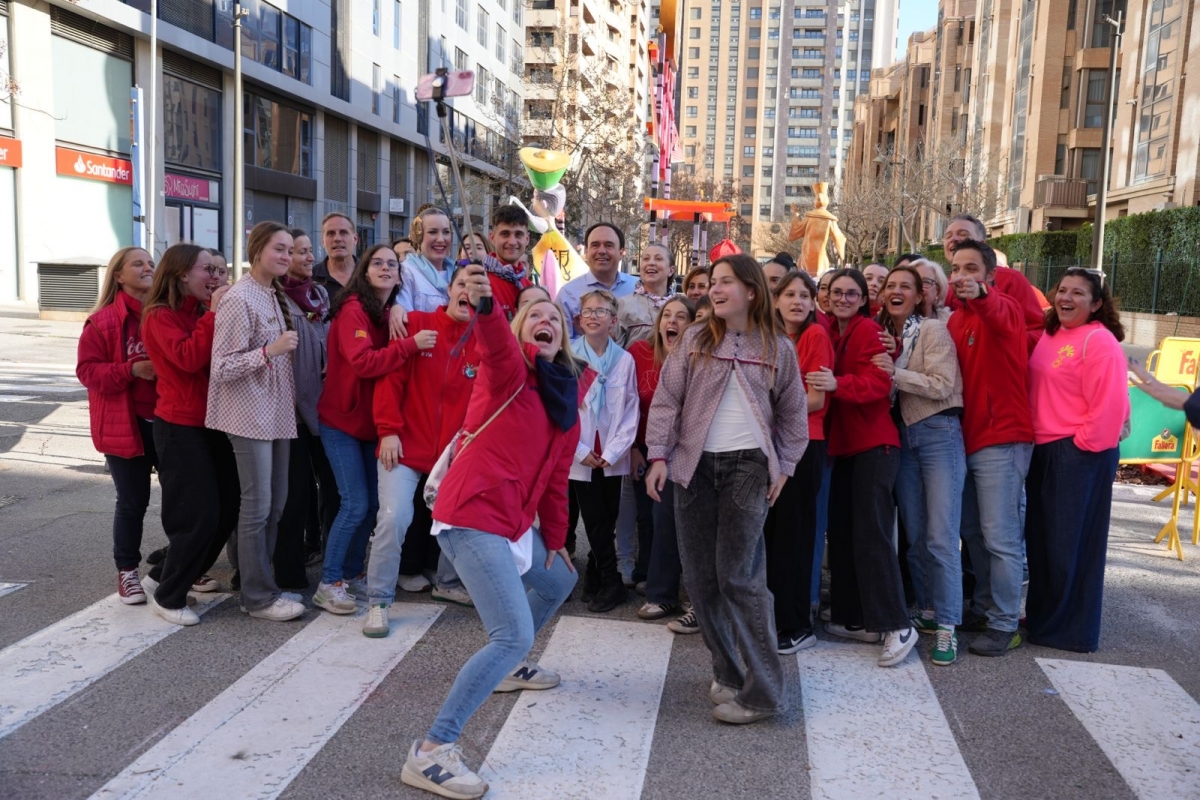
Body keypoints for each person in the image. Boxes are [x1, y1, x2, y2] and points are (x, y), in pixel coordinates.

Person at [400, 276, 584, 800]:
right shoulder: (510, 371)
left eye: (556, 318)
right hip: (472, 514)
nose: (546, 322)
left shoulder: (565, 395)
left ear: (564, 335)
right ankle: (433, 751)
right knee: (511, 634)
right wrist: (485, 301)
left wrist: (555, 537)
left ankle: (510, 667)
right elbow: (495, 338)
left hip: (514, 521)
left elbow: (554, 478)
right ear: (522, 328)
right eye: (535, 316)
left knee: (558, 580)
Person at [646, 254, 808, 725]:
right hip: (692, 468)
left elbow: (795, 416)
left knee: (739, 578)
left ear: (752, 291)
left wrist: (785, 467)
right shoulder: (695, 338)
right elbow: (667, 400)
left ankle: (764, 693)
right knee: (701, 580)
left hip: (749, 469)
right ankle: (730, 674)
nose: (714, 290)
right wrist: (658, 454)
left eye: (725, 283)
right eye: (712, 283)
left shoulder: (780, 348)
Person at [806, 268, 916, 667]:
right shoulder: (831, 330)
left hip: (874, 445)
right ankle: (856, 618)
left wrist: (838, 384)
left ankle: (897, 624)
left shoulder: (868, 331)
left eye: (852, 293)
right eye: (837, 292)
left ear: (864, 299)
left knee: (872, 535)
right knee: (847, 533)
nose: (843, 298)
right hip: (846, 448)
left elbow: (879, 384)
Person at [363, 267, 480, 637]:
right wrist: (389, 432)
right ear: (449, 289)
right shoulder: (416, 323)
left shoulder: (486, 343)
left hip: (452, 455)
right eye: (461, 284)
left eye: (475, 289)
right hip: (403, 444)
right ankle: (378, 601)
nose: (467, 293)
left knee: (460, 519)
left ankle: (447, 582)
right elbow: (390, 380)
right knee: (394, 518)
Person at [207, 222, 306, 622]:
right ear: (257, 249)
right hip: (248, 414)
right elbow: (221, 367)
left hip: (277, 412)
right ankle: (258, 596)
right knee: (258, 506)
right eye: (278, 249)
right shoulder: (239, 297)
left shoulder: (272, 292)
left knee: (275, 506)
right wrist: (270, 350)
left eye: (289, 250)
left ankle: (259, 583)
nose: (285, 256)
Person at [1025, 268, 1127, 652]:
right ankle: (1044, 618)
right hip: (1045, 449)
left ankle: (1071, 629)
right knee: (1043, 541)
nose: (1066, 298)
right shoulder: (1053, 333)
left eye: (1078, 293)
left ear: (1097, 303)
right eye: (1062, 290)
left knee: (1071, 543)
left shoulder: (1099, 341)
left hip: (1078, 454)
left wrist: (1080, 445)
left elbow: (1110, 405)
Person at [315, 243, 420, 615]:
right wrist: (409, 346)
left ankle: (350, 573)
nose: (385, 268)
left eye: (392, 264)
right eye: (377, 262)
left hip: (366, 424)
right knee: (355, 504)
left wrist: (400, 312)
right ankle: (329, 582)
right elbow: (363, 362)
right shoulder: (354, 310)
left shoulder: (387, 310)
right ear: (364, 269)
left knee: (372, 504)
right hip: (341, 421)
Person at [871, 265, 966, 666]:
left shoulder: (931, 331)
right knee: (914, 534)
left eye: (904, 287)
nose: (895, 291)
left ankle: (947, 625)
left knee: (942, 537)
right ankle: (926, 609)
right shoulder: (882, 336)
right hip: (903, 439)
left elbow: (944, 384)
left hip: (938, 432)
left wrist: (896, 373)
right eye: (890, 286)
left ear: (919, 295)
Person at [140, 244, 238, 625]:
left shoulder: (195, 311)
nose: (214, 278)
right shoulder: (159, 316)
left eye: (218, 271)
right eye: (206, 270)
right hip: (179, 427)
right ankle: (169, 596)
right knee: (198, 516)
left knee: (227, 506)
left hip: (211, 423)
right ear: (181, 274)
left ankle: (160, 577)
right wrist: (213, 315)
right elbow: (188, 357)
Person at [946, 239, 1033, 657]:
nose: (962, 276)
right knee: (972, 534)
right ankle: (983, 610)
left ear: (989, 276)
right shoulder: (954, 322)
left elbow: (996, 311)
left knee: (1000, 536)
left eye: (971, 269)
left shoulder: (1005, 309)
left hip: (1002, 437)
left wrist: (981, 295)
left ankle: (1004, 622)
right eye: (956, 268)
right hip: (965, 439)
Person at [77, 247, 160, 604]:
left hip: (172, 421)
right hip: (124, 423)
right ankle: (127, 572)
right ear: (119, 276)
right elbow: (86, 372)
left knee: (183, 498)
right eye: (138, 264)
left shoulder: (165, 314)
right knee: (132, 501)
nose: (147, 268)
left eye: (151, 263)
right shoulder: (102, 321)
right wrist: (130, 370)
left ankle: (184, 563)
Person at [768, 270, 832, 653]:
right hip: (777, 445)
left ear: (813, 303)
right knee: (775, 538)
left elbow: (816, 399)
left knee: (794, 538)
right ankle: (777, 619)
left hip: (806, 446)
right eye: (789, 294)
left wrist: (765, 410)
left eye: (804, 295)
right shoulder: (777, 338)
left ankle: (797, 625)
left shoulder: (814, 336)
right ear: (775, 301)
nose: (796, 301)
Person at [571, 289, 639, 612]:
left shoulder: (624, 361)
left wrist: (613, 451)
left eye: (601, 312)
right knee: (594, 518)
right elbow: (562, 411)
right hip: (582, 455)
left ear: (613, 322)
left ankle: (595, 575)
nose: (594, 316)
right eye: (588, 311)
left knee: (609, 515)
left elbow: (630, 411)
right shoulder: (569, 356)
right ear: (579, 319)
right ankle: (612, 581)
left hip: (611, 455)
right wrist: (579, 449)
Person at [276, 228, 337, 584]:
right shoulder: (277, 298)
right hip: (292, 414)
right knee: (294, 496)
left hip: (323, 409)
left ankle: (335, 565)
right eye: (300, 252)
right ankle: (289, 575)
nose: (308, 257)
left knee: (332, 491)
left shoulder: (319, 295)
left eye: (309, 250)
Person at [632, 295, 696, 623]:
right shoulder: (641, 354)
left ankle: (698, 599)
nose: (672, 322)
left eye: (681, 317)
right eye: (666, 315)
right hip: (657, 453)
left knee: (698, 528)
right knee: (662, 521)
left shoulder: (701, 358)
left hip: (697, 452)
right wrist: (640, 450)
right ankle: (661, 594)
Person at [943, 214, 1044, 351]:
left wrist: (1002, 342)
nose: (954, 239)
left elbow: (1038, 331)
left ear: (982, 243)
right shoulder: (945, 285)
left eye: (963, 234)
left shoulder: (1012, 279)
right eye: (948, 236)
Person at [557, 223, 638, 337]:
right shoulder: (567, 294)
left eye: (609, 245)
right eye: (595, 245)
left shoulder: (637, 288)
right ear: (587, 252)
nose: (601, 251)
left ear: (621, 252)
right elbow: (564, 342)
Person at [481, 204, 534, 320]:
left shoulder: (531, 288)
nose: (512, 242)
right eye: (505, 234)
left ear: (527, 239)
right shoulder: (479, 282)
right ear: (492, 237)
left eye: (518, 234)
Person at [399, 207, 455, 313]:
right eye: (433, 232)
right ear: (418, 237)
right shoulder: (406, 272)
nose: (441, 239)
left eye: (446, 232)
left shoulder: (458, 273)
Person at [616, 243, 673, 346]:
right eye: (646, 259)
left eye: (658, 259)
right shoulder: (623, 304)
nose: (651, 263)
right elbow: (614, 351)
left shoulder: (682, 306)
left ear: (671, 270)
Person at [313, 212, 358, 292]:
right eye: (331, 233)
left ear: (355, 239)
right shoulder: (311, 279)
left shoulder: (370, 274)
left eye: (343, 233)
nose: (337, 239)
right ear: (323, 241)